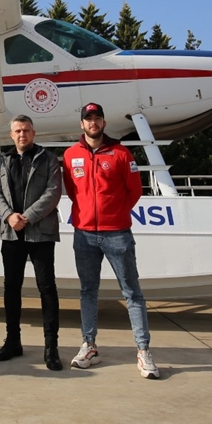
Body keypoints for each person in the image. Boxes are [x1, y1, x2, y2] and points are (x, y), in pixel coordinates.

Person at [63, 102, 159, 378]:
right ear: (82, 124)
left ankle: (143, 351)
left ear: (104, 123)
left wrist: (114, 213)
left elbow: (134, 190)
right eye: (88, 119)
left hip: (117, 233)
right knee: (87, 292)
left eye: (97, 118)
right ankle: (89, 346)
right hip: (84, 234)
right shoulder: (71, 155)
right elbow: (72, 190)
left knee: (132, 292)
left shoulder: (121, 153)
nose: (93, 123)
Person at [0, 114, 64, 371]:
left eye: (26, 130)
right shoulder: (3, 159)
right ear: (12, 135)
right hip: (12, 234)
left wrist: (28, 217)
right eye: (18, 131)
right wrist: (9, 216)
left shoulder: (48, 159)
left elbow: (53, 192)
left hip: (40, 233)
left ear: (34, 133)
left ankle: (51, 347)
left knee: (47, 288)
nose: (22, 135)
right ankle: (13, 342)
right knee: (11, 288)